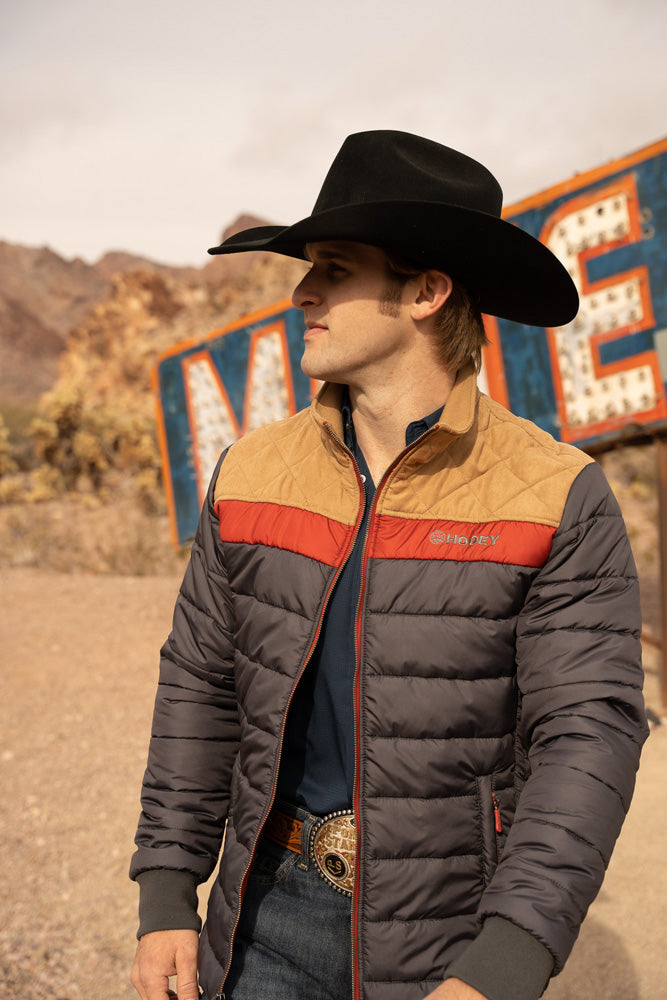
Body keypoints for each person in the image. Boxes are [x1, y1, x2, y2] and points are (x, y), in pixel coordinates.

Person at [129, 130, 648, 1000]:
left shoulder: (555, 492)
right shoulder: (251, 472)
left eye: (333, 265)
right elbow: (199, 685)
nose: (303, 291)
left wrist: (509, 956)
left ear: (425, 291)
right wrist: (168, 894)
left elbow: (586, 734)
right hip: (264, 912)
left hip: (450, 936)